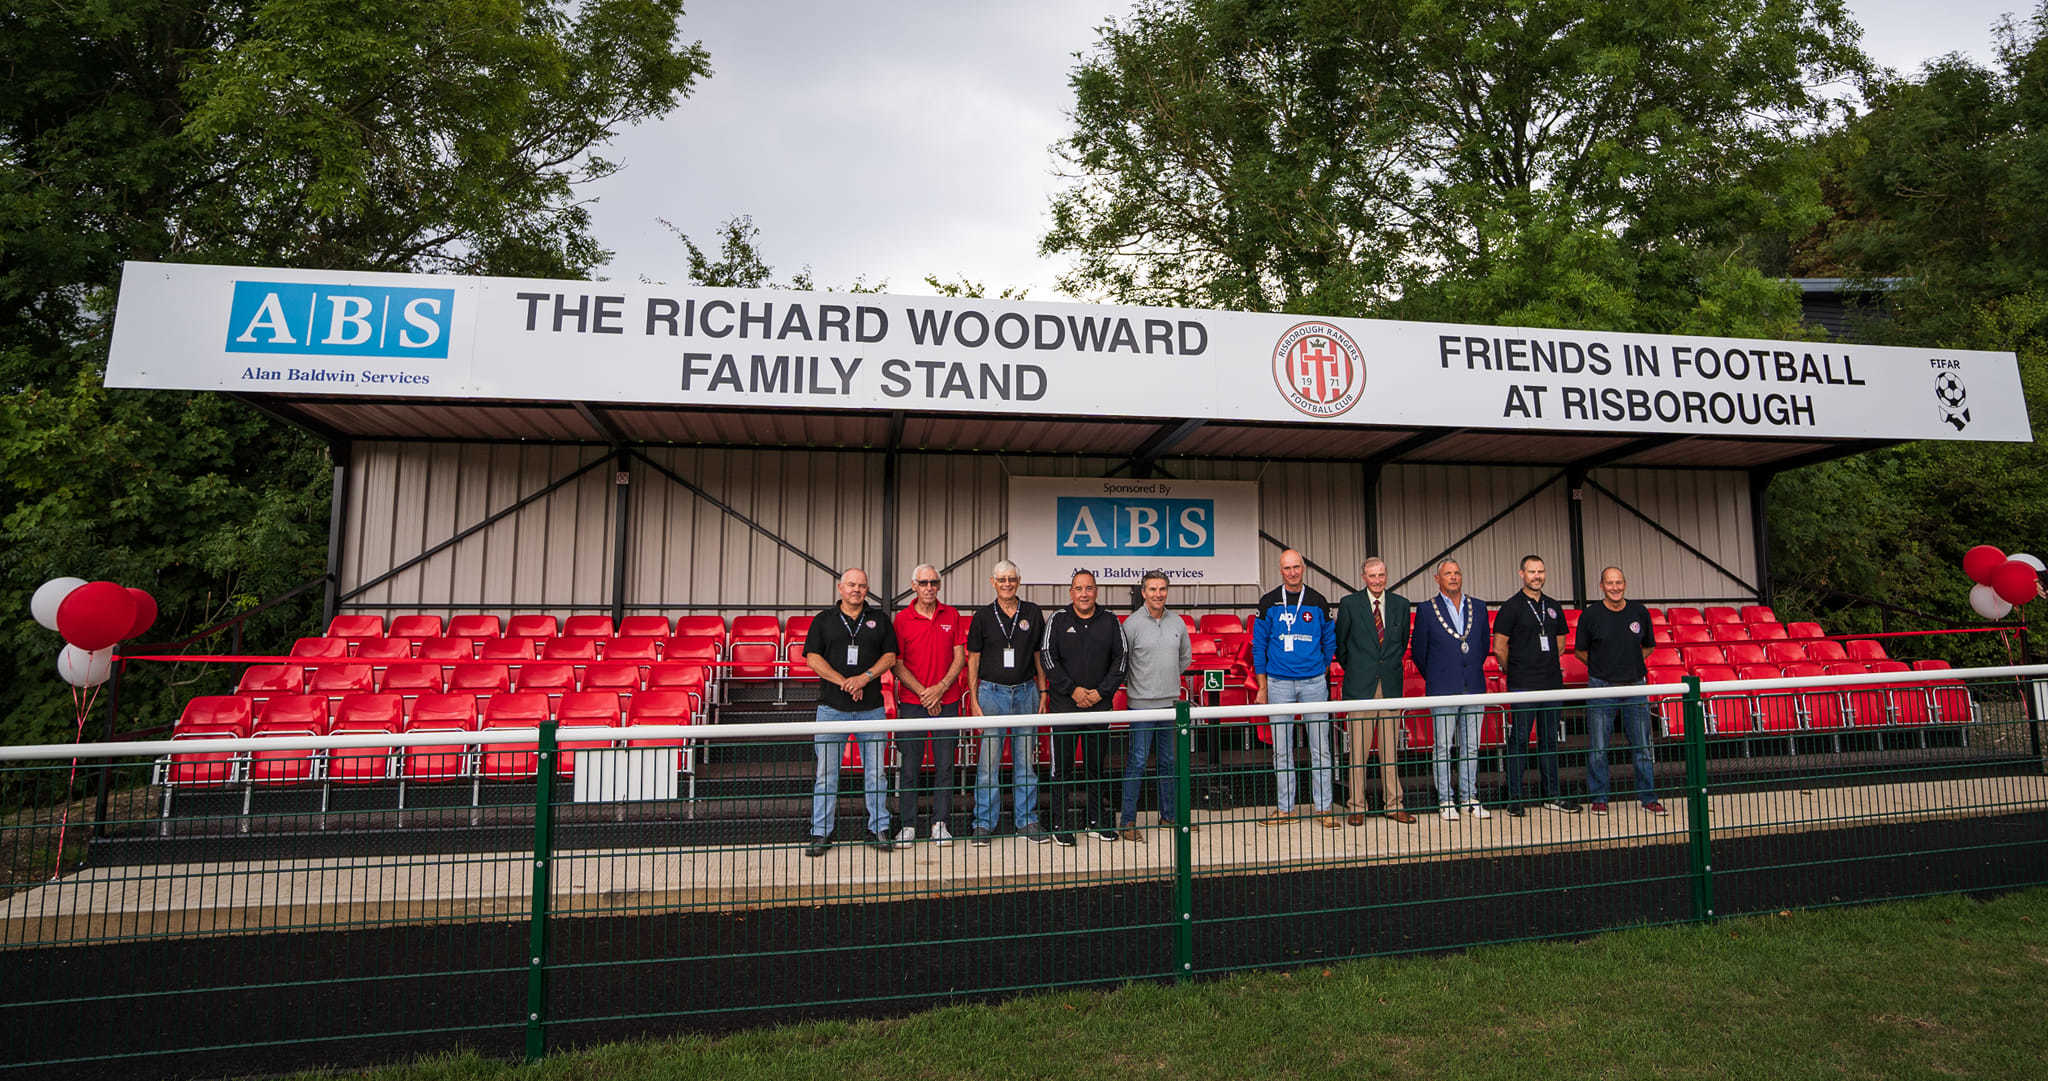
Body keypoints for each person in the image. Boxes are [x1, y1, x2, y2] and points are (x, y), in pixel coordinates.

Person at [800, 568, 900, 856]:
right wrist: (844, 682)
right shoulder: (824, 620)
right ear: (840, 588)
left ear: (867, 590)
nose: (857, 590)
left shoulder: (879, 620)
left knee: (876, 774)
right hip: (832, 709)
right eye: (851, 585)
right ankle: (820, 833)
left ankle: (879, 829)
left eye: (862, 585)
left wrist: (864, 678)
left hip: (872, 710)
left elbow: (890, 656)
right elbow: (813, 659)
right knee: (826, 775)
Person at [1250, 548, 1340, 828]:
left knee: (1320, 748)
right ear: (1280, 571)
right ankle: (1284, 808)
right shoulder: (1268, 603)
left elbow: (1330, 644)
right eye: (1287, 568)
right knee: (1282, 750)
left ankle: (1324, 808)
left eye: (1296, 567)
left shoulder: (1317, 601)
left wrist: (1315, 668)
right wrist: (1263, 687)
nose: (1292, 572)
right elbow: (1259, 646)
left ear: (1304, 568)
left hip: (1313, 683)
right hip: (1278, 684)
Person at [964, 559, 1050, 846]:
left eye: (1011, 578)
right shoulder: (983, 616)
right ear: (993, 582)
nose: (1007, 583)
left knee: (1026, 761)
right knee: (988, 763)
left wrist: (1043, 691)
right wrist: (974, 699)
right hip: (991, 694)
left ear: (1019, 580)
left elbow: (1038, 654)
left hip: (1026, 692)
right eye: (1001, 579)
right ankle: (984, 824)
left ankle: (1027, 820)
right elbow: (973, 659)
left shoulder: (1032, 613)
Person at [1040, 569, 1126, 845]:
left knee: (1095, 767)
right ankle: (1060, 823)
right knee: (1061, 770)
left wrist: (1100, 693)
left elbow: (1121, 660)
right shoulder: (1058, 619)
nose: (1084, 593)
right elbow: (1047, 658)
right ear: (1071, 593)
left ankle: (1096, 821)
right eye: (1079, 588)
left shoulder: (1110, 621)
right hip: (1065, 708)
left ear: (1096, 591)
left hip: (1098, 708)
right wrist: (1073, 690)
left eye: (1089, 588)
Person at [1490, 555, 1580, 817]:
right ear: (1522, 574)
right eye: (1532, 571)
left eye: (1541, 571)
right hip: (1523, 684)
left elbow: (1561, 643)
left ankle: (1551, 795)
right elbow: (1499, 647)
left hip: (1551, 683)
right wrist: (1516, 669)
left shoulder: (1553, 606)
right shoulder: (1511, 607)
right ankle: (1514, 798)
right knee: (1518, 740)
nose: (1537, 576)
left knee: (1549, 740)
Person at [1573, 566, 1667, 816]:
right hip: (1601, 687)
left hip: (1636, 685)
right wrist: (1602, 669)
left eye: (1619, 582)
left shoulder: (1639, 612)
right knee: (1599, 748)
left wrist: (1629, 664)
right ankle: (1599, 798)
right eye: (1609, 583)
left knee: (1643, 747)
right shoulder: (1591, 615)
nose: (1615, 587)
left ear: (1625, 584)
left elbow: (1648, 646)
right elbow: (1580, 652)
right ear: (1601, 586)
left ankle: (1648, 798)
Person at [1333, 557, 1417, 825]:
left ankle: (1394, 804)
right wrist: (1360, 669)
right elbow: (1341, 646)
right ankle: (1356, 805)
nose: (1378, 580)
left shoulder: (1401, 605)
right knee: (1358, 751)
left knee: (1390, 750)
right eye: (1372, 575)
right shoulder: (1349, 604)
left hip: (1390, 685)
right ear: (1363, 577)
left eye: (1381, 575)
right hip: (1360, 686)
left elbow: (1402, 642)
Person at [890, 563, 966, 846]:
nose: (929, 588)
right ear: (913, 586)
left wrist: (941, 689)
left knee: (945, 766)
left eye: (934, 582)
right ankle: (908, 825)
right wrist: (925, 693)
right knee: (910, 766)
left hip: (948, 701)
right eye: (923, 583)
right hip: (913, 703)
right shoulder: (902, 620)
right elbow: (896, 664)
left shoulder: (952, 614)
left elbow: (960, 658)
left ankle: (940, 823)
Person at [1409, 558, 1490, 820]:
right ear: (1437, 579)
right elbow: (1420, 653)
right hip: (1442, 687)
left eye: (1457, 573)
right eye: (1448, 574)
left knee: (1471, 747)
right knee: (1443, 746)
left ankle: (1470, 796)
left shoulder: (1478, 606)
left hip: (1474, 685)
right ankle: (1446, 799)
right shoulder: (1426, 610)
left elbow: (1483, 645)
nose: (1453, 577)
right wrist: (1439, 675)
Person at [1118, 571, 1193, 840]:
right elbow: (1123, 664)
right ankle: (1127, 822)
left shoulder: (1178, 623)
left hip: (1170, 705)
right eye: (1152, 589)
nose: (1158, 594)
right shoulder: (1132, 624)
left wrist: (1167, 682)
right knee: (1137, 761)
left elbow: (1184, 658)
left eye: (1162, 589)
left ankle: (1169, 816)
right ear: (1143, 592)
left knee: (1169, 761)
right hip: (1141, 705)